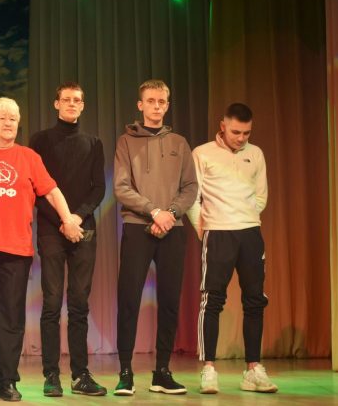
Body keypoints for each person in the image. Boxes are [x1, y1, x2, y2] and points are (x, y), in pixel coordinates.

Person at [0, 97, 82, 402]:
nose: (9, 123)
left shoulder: (29, 157)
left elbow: (52, 192)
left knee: (12, 318)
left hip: (16, 250)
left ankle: (7, 380)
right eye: (2, 118)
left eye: (13, 119)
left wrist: (68, 218)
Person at [113, 79, 197, 396]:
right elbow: (121, 187)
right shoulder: (126, 142)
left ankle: (162, 372)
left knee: (170, 301)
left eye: (162, 101)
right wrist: (154, 211)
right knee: (129, 299)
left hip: (173, 229)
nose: (157, 106)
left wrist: (170, 213)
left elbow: (190, 187)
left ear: (167, 105)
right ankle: (125, 372)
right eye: (151, 101)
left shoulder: (179, 142)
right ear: (140, 105)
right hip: (138, 227)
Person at [186, 103, 278, 394]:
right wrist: (203, 228)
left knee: (255, 300)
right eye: (236, 132)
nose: (241, 138)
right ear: (223, 126)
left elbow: (261, 195)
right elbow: (192, 197)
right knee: (212, 300)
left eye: (246, 133)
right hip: (217, 233)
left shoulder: (256, 153)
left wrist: (246, 217)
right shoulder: (202, 153)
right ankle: (209, 368)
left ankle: (253, 369)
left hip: (250, 233)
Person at [29, 82, 106, 397]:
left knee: (79, 303)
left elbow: (98, 188)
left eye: (77, 100)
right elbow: (36, 189)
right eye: (66, 99)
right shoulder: (40, 140)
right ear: (56, 104)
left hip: (83, 228)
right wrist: (63, 220)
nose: (72, 103)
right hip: (51, 228)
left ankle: (80, 374)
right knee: (51, 303)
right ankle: (51, 375)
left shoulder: (93, 143)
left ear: (83, 106)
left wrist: (76, 218)